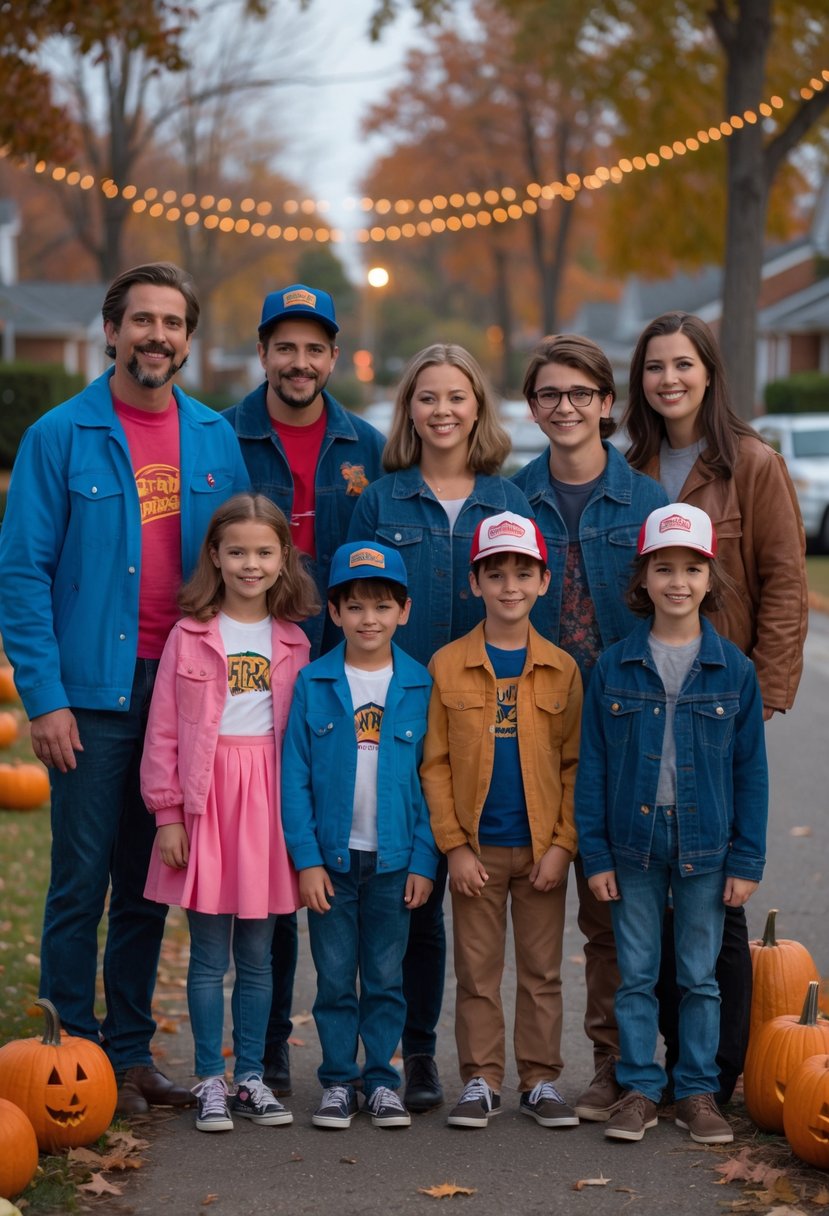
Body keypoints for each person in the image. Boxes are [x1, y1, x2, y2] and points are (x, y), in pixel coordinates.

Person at [0, 262, 251, 1115]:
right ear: (110, 331)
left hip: (182, 694)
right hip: (92, 692)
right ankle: (64, 1047)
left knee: (152, 878)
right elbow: (23, 573)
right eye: (140, 320)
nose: (156, 336)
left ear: (188, 338)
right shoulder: (59, 436)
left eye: (172, 322)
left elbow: (237, 569)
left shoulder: (214, 437)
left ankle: (132, 1053)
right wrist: (44, 698)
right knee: (79, 879)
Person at [623, 311, 807, 1102]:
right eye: (654, 366)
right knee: (644, 899)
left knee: (714, 891)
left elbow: (785, 583)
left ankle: (718, 1071)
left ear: (708, 373)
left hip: (716, 703)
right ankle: (652, 1063)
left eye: (682, 365)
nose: (668, 379)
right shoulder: (628, 463)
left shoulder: (752, 464)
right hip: (636, 699)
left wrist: (763, 693)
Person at [348, 344, 532, 1111]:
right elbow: (350, 605)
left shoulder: (509, 500)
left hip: (488, 723)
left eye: (457, 396)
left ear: (477, 408)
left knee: (489, 893)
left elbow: (528, 608)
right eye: (427, 397)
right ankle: (415, 1052)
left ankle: (500, 1064)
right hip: (401, 720)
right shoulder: (382, 503)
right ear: (409, 410)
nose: (443, 410)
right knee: (414, 890)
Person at [223, 283, 386, 1095]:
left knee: (350, 859)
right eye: (283, 347)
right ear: (263, 353)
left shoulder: (366, 446)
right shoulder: (224, 438)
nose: (298, 361)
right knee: (278, 870)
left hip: (341, 674)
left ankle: (380, 1051)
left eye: (313, 347)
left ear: (331, 355)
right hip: (258, 671)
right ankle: (269, 1049)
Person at [575, 503, 768, 1144]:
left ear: (710, 578)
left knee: (699, 976)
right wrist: (596, 856)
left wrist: (747, 861)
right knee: (634, 972)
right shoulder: (615, 667)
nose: (677, 581)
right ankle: (638, 1088)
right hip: (632, 844)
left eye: (691, 568)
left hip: (707, 846)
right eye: (664, 568)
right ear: (644, 577)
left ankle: (697, 1092)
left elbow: (751, 774)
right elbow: (595, 769)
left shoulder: (733, 671)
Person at [511, 335, 667, 1121]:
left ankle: (615, 1066)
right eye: (548, 395)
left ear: (607, 404)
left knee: (613, 910)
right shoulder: (508, 501)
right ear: (531, 406)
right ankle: (529, 1068)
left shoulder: (644, 504)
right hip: (532, 731)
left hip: (621, 731)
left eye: (580, 393)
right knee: (535, 901)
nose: (564, 407)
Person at [140, 493, 318, 1132]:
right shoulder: (188, 637)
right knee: (209, 953)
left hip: (269, 801)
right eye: (237, 551)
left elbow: (305, 741)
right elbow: (163, 730)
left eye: (264, 552)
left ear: (283, 560)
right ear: (214, 556)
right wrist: (168, 815)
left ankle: (251, 1077)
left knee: (261, 954)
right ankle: (209, 1081)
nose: (250, 564)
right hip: (208, 799)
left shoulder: (295, 642)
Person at [421, 512, 582, 1129]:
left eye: (523, 572)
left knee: (542, 972)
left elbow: (574, 766)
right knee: (478, 972)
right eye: (496, 573)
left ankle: (540, 1081)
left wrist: (564, 846)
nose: (510, 585)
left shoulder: (563, 669)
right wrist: (455, 847)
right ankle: (481, 1081)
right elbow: (434, 763)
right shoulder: (447, 665)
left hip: (541, 851)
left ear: (544, 582)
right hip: (478, 854)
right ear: (475, 583)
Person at [281, 541, 438, 1129]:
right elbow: (294, 776)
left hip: (395, 863)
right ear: (334, 611)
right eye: (355, 606)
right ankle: (338, 1081)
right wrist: (306, 859)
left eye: (382, 606)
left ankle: (381, 1081)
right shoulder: (314, 683)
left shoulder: (421, 686)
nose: (368, 618)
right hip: (333, 862)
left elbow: (434, 778)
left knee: (385, 977)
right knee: (334, 977)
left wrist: (425, 861)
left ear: (404, 610)